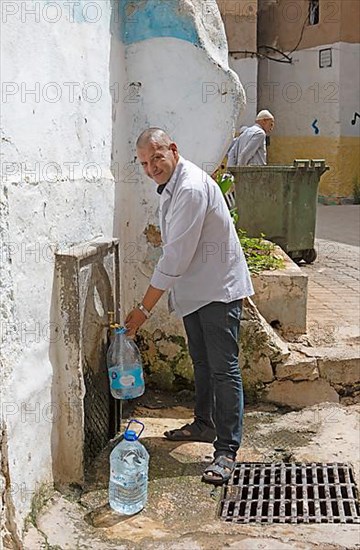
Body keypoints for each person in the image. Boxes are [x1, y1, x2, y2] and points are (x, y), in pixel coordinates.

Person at [125, 128, 254, 485]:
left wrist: (143, 310)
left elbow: (175, 258)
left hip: (218, 289)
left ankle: (226, 451)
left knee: (224, 369)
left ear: (173, 150)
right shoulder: (173, 185)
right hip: (196, 290)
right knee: (201, 361)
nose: (152, 168)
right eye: (145, 164)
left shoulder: (192, 188)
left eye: (157, 158)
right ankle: (205, 423)